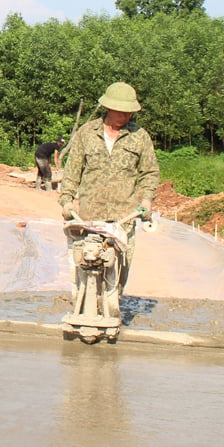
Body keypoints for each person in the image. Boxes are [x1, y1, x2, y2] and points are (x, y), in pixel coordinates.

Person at [57, 81, 159, 292]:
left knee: (120, 274)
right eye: (121, 112)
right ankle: (84, 303)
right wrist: (66, 200)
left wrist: (147, 199)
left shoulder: (139, 137)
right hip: (89, 218)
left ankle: (114, 304)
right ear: (109, 108)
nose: (126, 116)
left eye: (129, 112)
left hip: (123, 218)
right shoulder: (87, 133)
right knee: (85, 265)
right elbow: (73, 170)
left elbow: (149, 172)